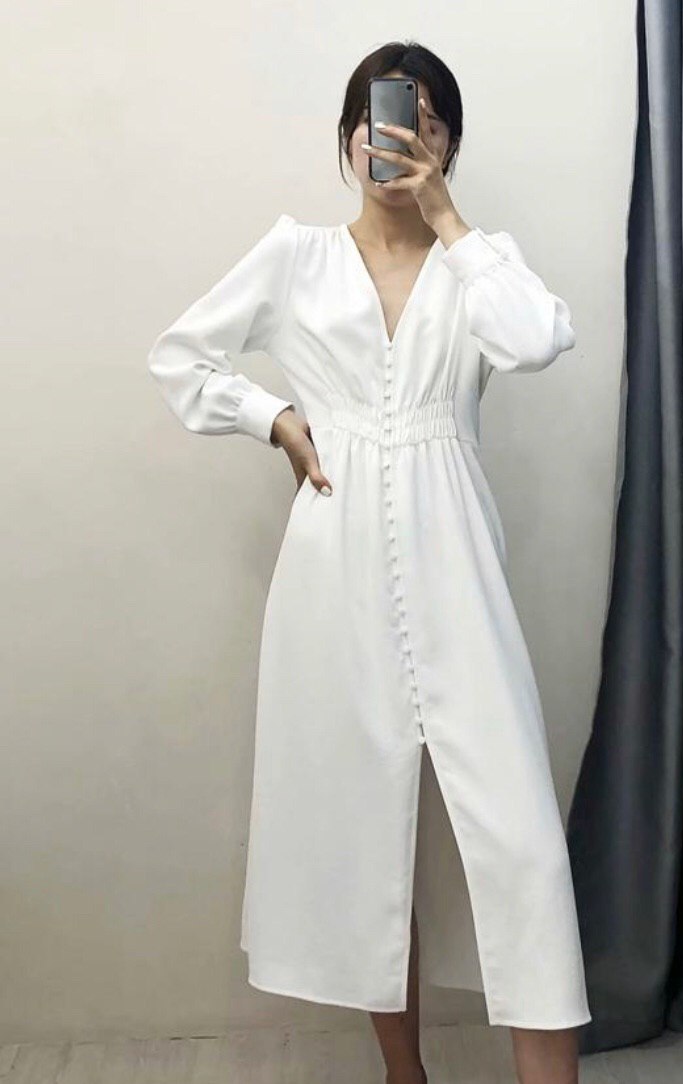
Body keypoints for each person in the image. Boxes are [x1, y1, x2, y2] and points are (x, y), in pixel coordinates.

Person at [148, 39, 589, 1084]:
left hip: (458, 564)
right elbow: (180, 355)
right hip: (331, 570)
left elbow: (535, 340)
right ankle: (405, 1075)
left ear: (449, 143)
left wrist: (448, 219)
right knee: (362, 840)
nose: (398, 139)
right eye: (382, 120)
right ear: (349, 139)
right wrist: (273, 417)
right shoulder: (295, 257)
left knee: (522, 845)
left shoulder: (481, 262)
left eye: (425, 122)